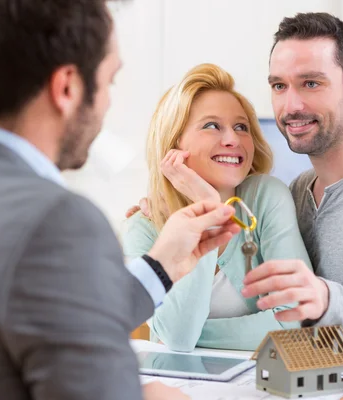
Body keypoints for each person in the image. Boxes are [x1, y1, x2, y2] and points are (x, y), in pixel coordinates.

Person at [0, 1, 242, 399]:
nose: (108, 102)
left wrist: (160, 268)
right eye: (109, 82)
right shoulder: (59, 221)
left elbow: (24, 314)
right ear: (68, 88)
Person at [130, 12, 343, 366]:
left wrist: (323, 300)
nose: (291, 105)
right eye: (280, 86)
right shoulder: (296, 192)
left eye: (311, 83)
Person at [123, 64, 312, 352]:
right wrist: (207, 209)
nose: (232, 139)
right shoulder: (143, 228)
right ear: (174, 143)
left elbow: (298, 319)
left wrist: (196, 335)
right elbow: (179, 339)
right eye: (211, 125)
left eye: (241, 127)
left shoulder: (265, 198)